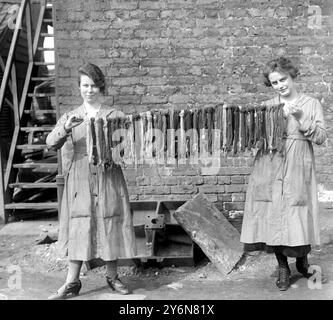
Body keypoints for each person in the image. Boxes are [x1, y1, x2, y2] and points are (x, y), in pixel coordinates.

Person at [46, 63, 137, 299]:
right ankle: (72, 282)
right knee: (79, 223)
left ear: (101, 88)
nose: (90, 90)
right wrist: (65, 128)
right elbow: (50, 143)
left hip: (108, 175)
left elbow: (128, 148)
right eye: (85, 86)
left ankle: (113, 276)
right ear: (79, 88)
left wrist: (121, 142)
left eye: (94, 86)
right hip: (79, 177)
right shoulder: (70, 116)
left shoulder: (115, 115)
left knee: (111, 221)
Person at [240, 56, 328, 291]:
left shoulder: (311, 103)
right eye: (275, 82)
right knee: (274, 214)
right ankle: (282, 266)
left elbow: (321, 138)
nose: (280, 85)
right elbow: (256, 137)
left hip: (299, 161)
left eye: (283, 79)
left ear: (292, 76)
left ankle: (302, 262)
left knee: (298, 212)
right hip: (270, 162)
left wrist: (300, 117)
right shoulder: (268, 106)